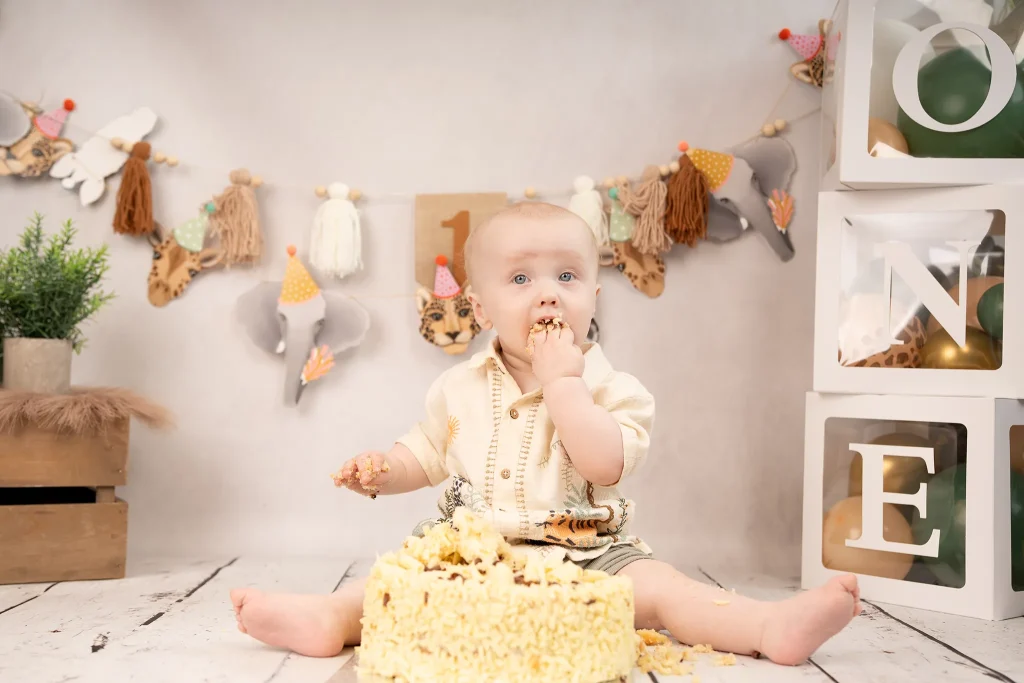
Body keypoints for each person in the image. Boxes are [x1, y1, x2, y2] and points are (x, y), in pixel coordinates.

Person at [230, 201, 860, 665]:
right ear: (480, 310)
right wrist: (383, 471)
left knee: (666, 591)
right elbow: (424, 454)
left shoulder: (614, 387)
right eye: (522, 279)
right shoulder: (458, 387)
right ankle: (329, 619)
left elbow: (604, 464)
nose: (549, 296)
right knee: (395, 583)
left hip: (590, 553)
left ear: (593, 294)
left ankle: (766, 627)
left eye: (567, 277)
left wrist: (565, 385)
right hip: (472, 554)